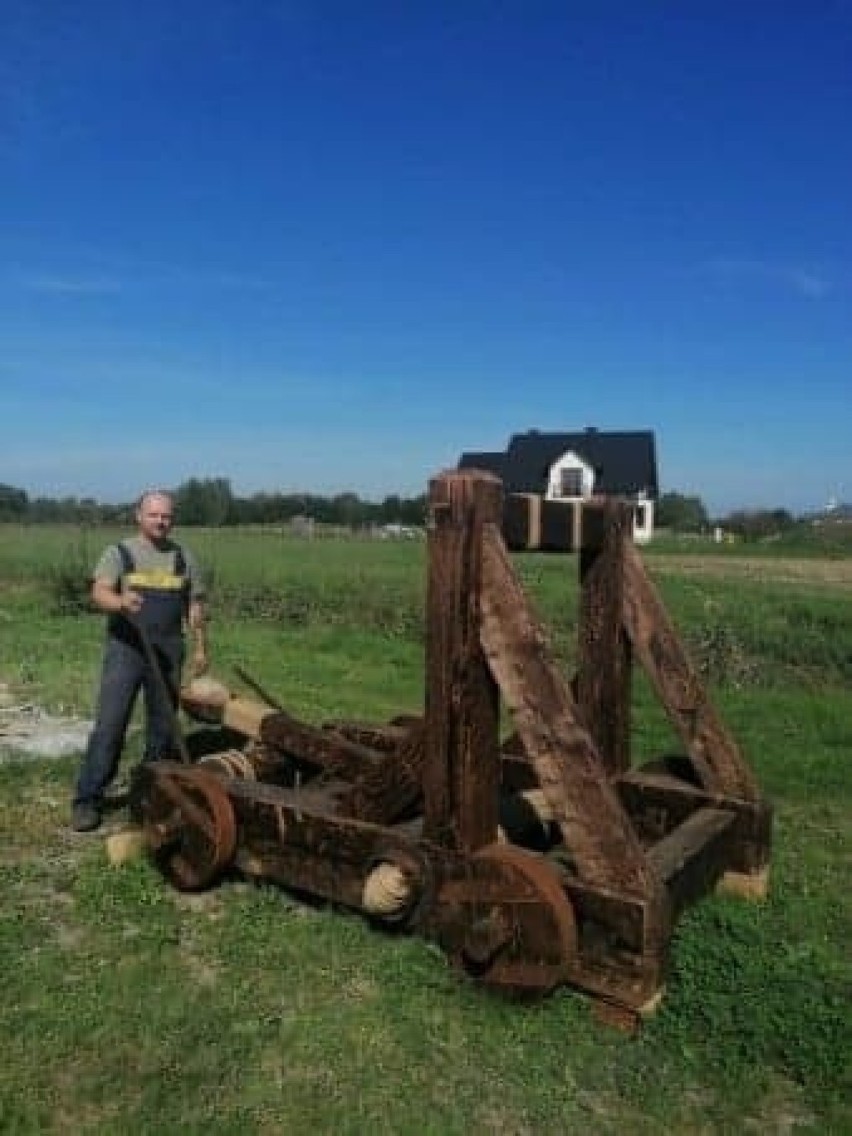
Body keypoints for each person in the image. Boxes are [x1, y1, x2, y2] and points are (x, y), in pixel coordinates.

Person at [71, 489, 209, 832]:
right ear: (139, 515)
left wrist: (201, 647)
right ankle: (88, 799)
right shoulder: (119, 553)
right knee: (110, 724)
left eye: (166, 516)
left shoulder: (183, 557)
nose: (161, 521)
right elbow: (99, 591)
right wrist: (120, 602)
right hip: (127, 649)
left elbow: (195, 605)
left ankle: (150, 794)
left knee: (163, 728)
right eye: (154, 515)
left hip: (167, 649)